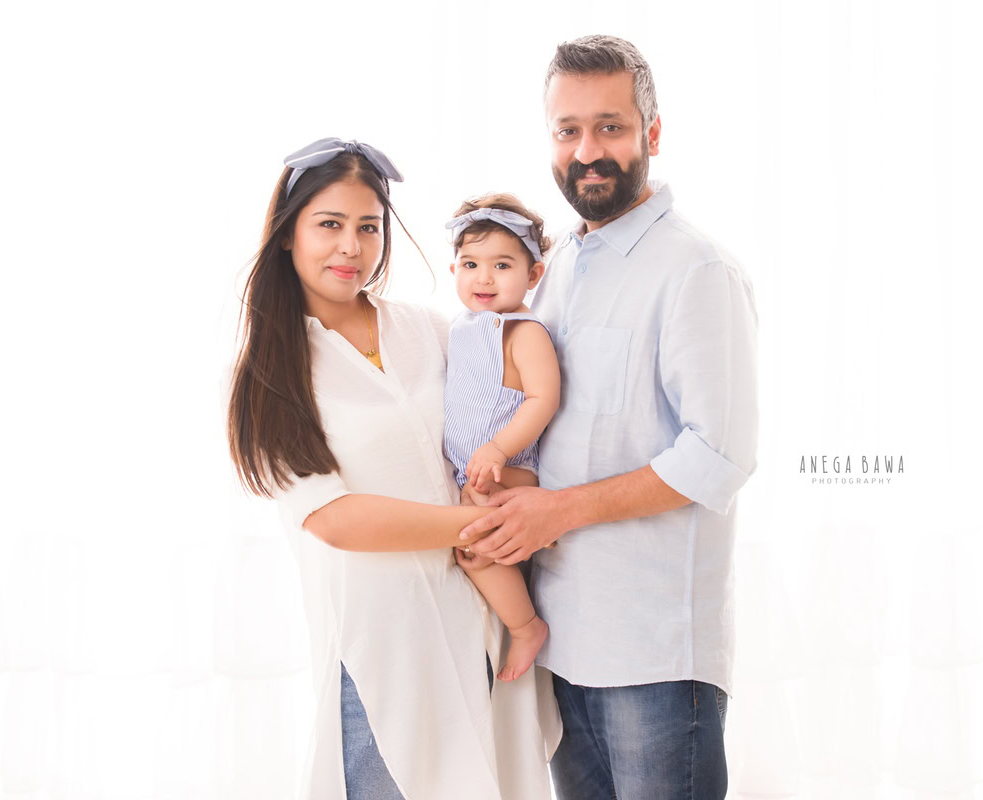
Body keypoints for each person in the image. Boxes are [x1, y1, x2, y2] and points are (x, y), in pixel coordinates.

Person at [459, 35, 760, 800]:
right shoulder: (550, 271)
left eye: (610, 127)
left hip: (654, 657)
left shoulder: (697, 271)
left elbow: (717, 457)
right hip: (562, 646)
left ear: (651, 135)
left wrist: (553, 510)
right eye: (568, 131)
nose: (588, 150)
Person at [225, 138, 559, 800]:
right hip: (381, 650)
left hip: (481, 628)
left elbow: (501, 424)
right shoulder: (270, 371)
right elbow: (337, 520)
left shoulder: (430, 330)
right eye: (330, 225)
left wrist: (530, 504)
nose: (351, 247)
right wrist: (480, 526)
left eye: (368, 227)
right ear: (288, 234)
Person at [442, 194, 559, 682]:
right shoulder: (462, 329)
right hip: (477, 469)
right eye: (470, 264)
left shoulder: (522, 331)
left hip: (509, 468)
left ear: (533, 276)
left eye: (502, 265)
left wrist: (497, 449)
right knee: (469, 548)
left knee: (475, 549)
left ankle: (527, 627)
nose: (483, 278)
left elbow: (542, 399)